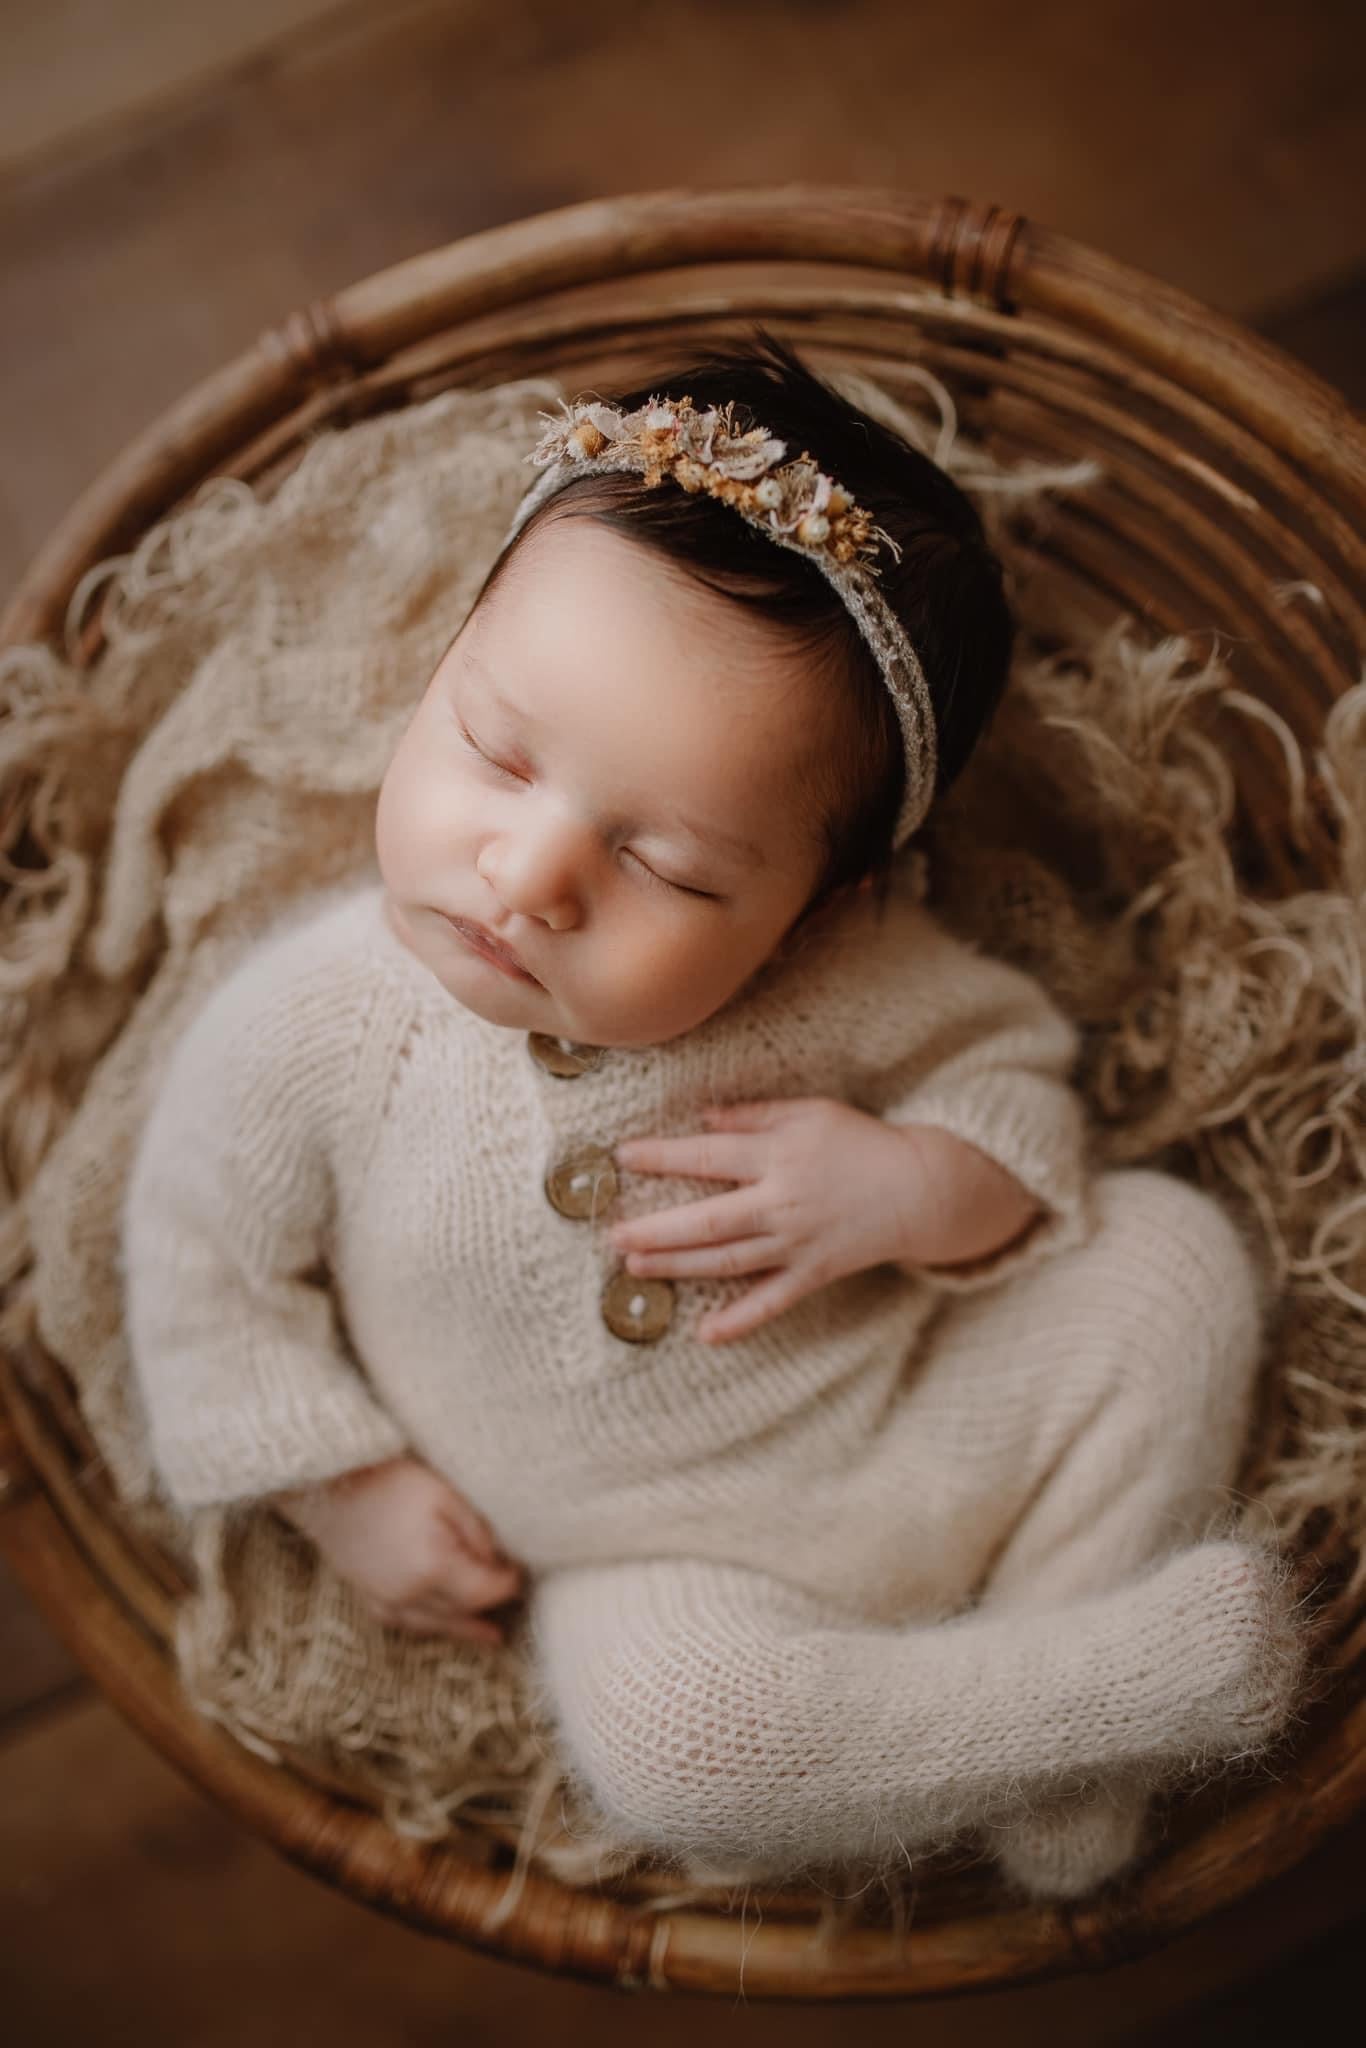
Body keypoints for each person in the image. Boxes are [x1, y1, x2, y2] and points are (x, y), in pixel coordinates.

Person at [121, 338, 1304, 1900]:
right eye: (494, 749)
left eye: (670, 869)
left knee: (1168, 1265)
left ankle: (1052, 1731)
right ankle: (1099, 1703)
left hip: (926, 1414)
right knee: (683, 1750)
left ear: (822, 905)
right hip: (664, 1567)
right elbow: (195, 1257)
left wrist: (913, 1184)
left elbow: (1013, 1090)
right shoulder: (315, 1029)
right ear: (437, 670)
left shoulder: (850, 984)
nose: (532, 875)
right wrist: (341, 1492)